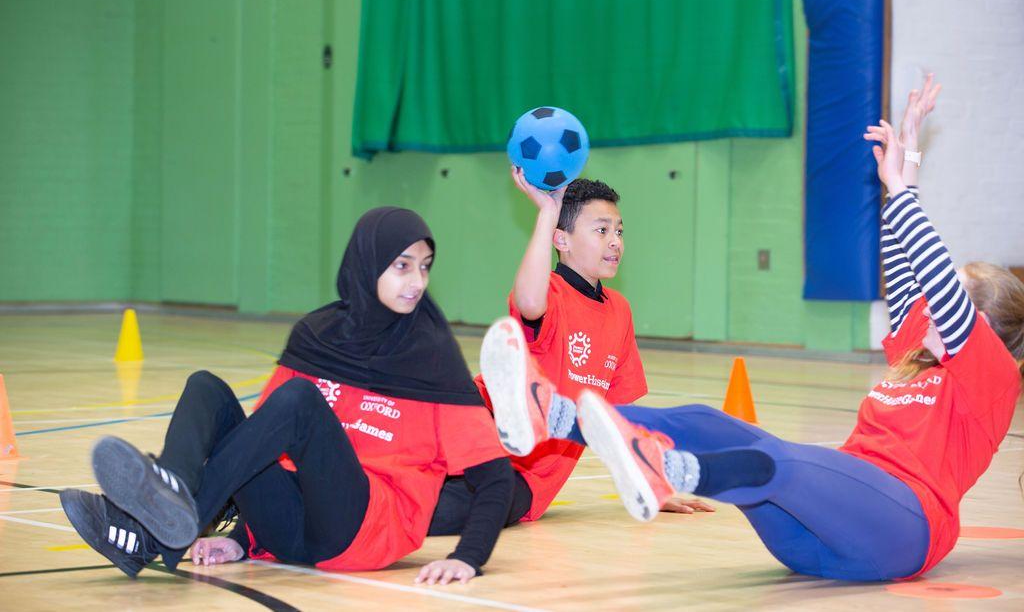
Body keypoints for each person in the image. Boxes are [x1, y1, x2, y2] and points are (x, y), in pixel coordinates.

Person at [482, 76, 1024, 580]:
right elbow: (906, 268)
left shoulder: (987, 375)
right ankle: (551, 413)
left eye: (948, 296)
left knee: (783, 460)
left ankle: (669, 469)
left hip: (900, 526)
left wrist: (905, 189)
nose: (929, 303)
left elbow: (931, 269)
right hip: (820, 528)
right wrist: (901, 179)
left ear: (978, 324)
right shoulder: (918, 350)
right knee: (707, 420)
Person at [60, 207, 514, 585]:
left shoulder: (434, 361)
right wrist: (240, 538)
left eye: (425, 265)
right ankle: (172, 491)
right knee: (207, 389)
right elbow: (254, 448)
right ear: (367, 262)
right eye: (402, 265)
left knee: (298, 401)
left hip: (363, 531)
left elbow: (495, 478)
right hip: (289, 531)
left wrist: (468, 558)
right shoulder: (318, 337)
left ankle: (160, 531)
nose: (417, 280)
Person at [428, 173, 710, 539]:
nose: (615, 242)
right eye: (601, 230)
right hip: (470, 426)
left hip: (526, 477)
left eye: (619, 232)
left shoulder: (619, 311)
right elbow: (530, 303)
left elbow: (617, 417)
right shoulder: (551, 293)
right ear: (561, 239)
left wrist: (648, 481)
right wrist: (548, 212)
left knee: (447, 511)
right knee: (398, 476)